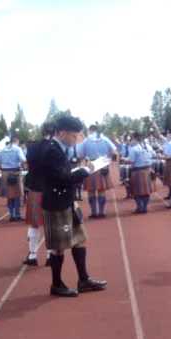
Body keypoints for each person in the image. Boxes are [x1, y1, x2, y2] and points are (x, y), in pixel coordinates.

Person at [41, 115, 107, 297]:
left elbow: (65, 173)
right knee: (59, 246)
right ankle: (56, 284)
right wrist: (86, 171)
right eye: (74, 135)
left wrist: (80, 169)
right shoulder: (51, 151)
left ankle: (83, 279)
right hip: (57, 203)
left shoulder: (60, 149)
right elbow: (61, 178)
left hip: (67, 201)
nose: (76, 139)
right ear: (62, 133)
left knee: (80, 239)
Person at [23, 123, 55, 267]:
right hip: (51, 190)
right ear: (55, 133)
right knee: (51, 224)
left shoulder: (32, 147)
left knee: (34, 224)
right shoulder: (55, 147)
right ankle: (50, 255)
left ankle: (32, 255)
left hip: (35, 189)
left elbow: (29, 166)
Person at [79, 125, 117, 218]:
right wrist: (108, 159)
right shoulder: (105, 139)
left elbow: (81, 155)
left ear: (90, 130)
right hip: (103, 165)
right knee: (101, 190)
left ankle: (94, 212)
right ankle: (102, 212)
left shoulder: (86, 140)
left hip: (91, 165)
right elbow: (114, 152)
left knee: (91, 191)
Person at [0, 136, 27, 221]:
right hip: (15, 173)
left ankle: (11, 214)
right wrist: (23, 166)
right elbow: (23, 160)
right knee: (17, 195)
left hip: (5, 173)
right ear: (16, 141)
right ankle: (17, 215)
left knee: (9, 196)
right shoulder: (17, 149)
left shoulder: (2, 150)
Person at [126, 132, 155, 214]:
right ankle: (144, 207)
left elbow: (131, 161)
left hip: (137, 171)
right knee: (146, 191)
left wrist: (124, 159)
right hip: (147, 170)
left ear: (135, 139)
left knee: (136, 191)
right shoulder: (148, 146)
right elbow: (153, 154)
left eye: (131, 139)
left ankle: (140, 207)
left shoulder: (133, 148)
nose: (131, 141)